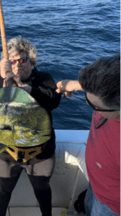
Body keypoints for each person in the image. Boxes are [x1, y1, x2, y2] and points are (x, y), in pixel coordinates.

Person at [0, 35, 61, 216]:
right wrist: (0, 79)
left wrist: (28, 89)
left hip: (40, 154)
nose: (18, 64)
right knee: (3, 189)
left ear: (31, 61)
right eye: (13, 60)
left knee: (42, 190)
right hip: (6, 152)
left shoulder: (43, 78)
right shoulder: (0, 82)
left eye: (23, 60)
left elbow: (53, 99)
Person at [56, 55, 120, 216]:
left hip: (111, 205)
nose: (88, 105)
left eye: (95, 105)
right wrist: (75, 85)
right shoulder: (109, 94)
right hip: (95, 186)